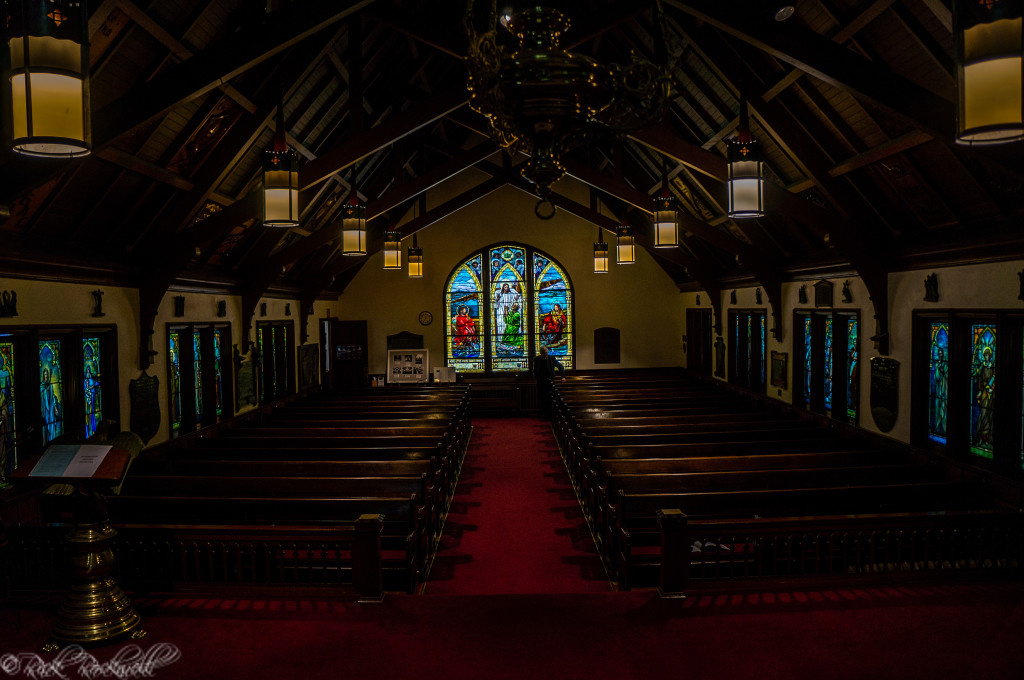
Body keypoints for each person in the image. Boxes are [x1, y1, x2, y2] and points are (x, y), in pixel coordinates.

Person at [533, 346, 564, 420]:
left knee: (550, 398)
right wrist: (537, 377)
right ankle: (544, 414)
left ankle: (550, 415)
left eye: (546, 353)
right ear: (541, 353)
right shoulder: (536, 359)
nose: (546, 354)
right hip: (541, 381)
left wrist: (563, 376)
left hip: (549, 381)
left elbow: (560, 366)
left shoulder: (551, 358)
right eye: (544, 353)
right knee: (543, 398)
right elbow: (535, 370)